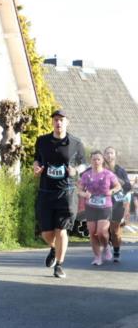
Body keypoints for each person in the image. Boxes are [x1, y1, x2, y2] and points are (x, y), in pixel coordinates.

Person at [32, 110, 87, 278]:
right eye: (56, 120)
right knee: (46, 233)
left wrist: (75, 170)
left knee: (61, 230)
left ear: (67, 122)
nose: (58, 123)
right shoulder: (42, 141)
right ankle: (54, 248)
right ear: (52, 122)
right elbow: (37, 158)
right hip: (46, 191)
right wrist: (36, 167)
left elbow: (84, 164)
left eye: (61, 120)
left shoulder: (76, 143)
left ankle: (60, 265)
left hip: (66, 193)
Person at [78, 150, 123, 266]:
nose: (96, 161)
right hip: (91, 206)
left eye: (98, 159)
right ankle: (97, 257)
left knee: (101, 232)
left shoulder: (108, 174)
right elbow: (79, 190)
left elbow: (118, 186)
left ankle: (106, 246)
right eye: (94, 159)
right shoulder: (86, 175)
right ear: (91, 161)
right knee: (92, 233)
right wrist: (85, 194)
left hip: (105, 206)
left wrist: (111, 191)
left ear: (102, 161)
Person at [104, 146, 133, 262]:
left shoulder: (120, 170)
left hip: (117, 203)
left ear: (115, 155)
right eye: (107, 153)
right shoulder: (99, 169)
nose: (109, 155)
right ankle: (106, 248)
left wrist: (114, 177)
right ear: (104, 155)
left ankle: (116, 250)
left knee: (115, 231)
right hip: (102, 204)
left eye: (111, 153)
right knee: (102, 229)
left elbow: (128, 186)